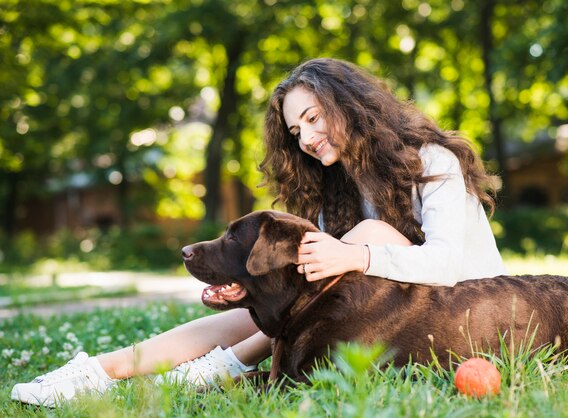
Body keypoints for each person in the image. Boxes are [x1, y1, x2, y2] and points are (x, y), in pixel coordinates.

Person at [11, 58, 506, 407]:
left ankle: (220, 365)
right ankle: (102, 369)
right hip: (382, 311)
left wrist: (355, 257)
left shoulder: (433, 162)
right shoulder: (342, 186)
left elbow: (445, 265)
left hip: (465, 310)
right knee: (270, 293)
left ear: (352, 106)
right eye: (296, 132)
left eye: (313, 118)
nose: (308, 138)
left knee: (349, 246)